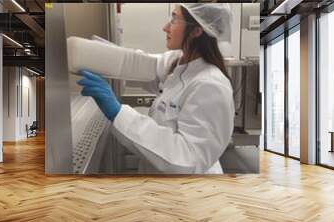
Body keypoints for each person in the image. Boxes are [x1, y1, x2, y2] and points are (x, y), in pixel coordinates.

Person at [77, 3, 234, 174]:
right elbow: (137, 64)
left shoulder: (210, 85)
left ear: (196, 30)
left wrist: (119, 113)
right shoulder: (179, 62)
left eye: (174, 19)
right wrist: (88, 53)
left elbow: (189, 158)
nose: (165, 27)